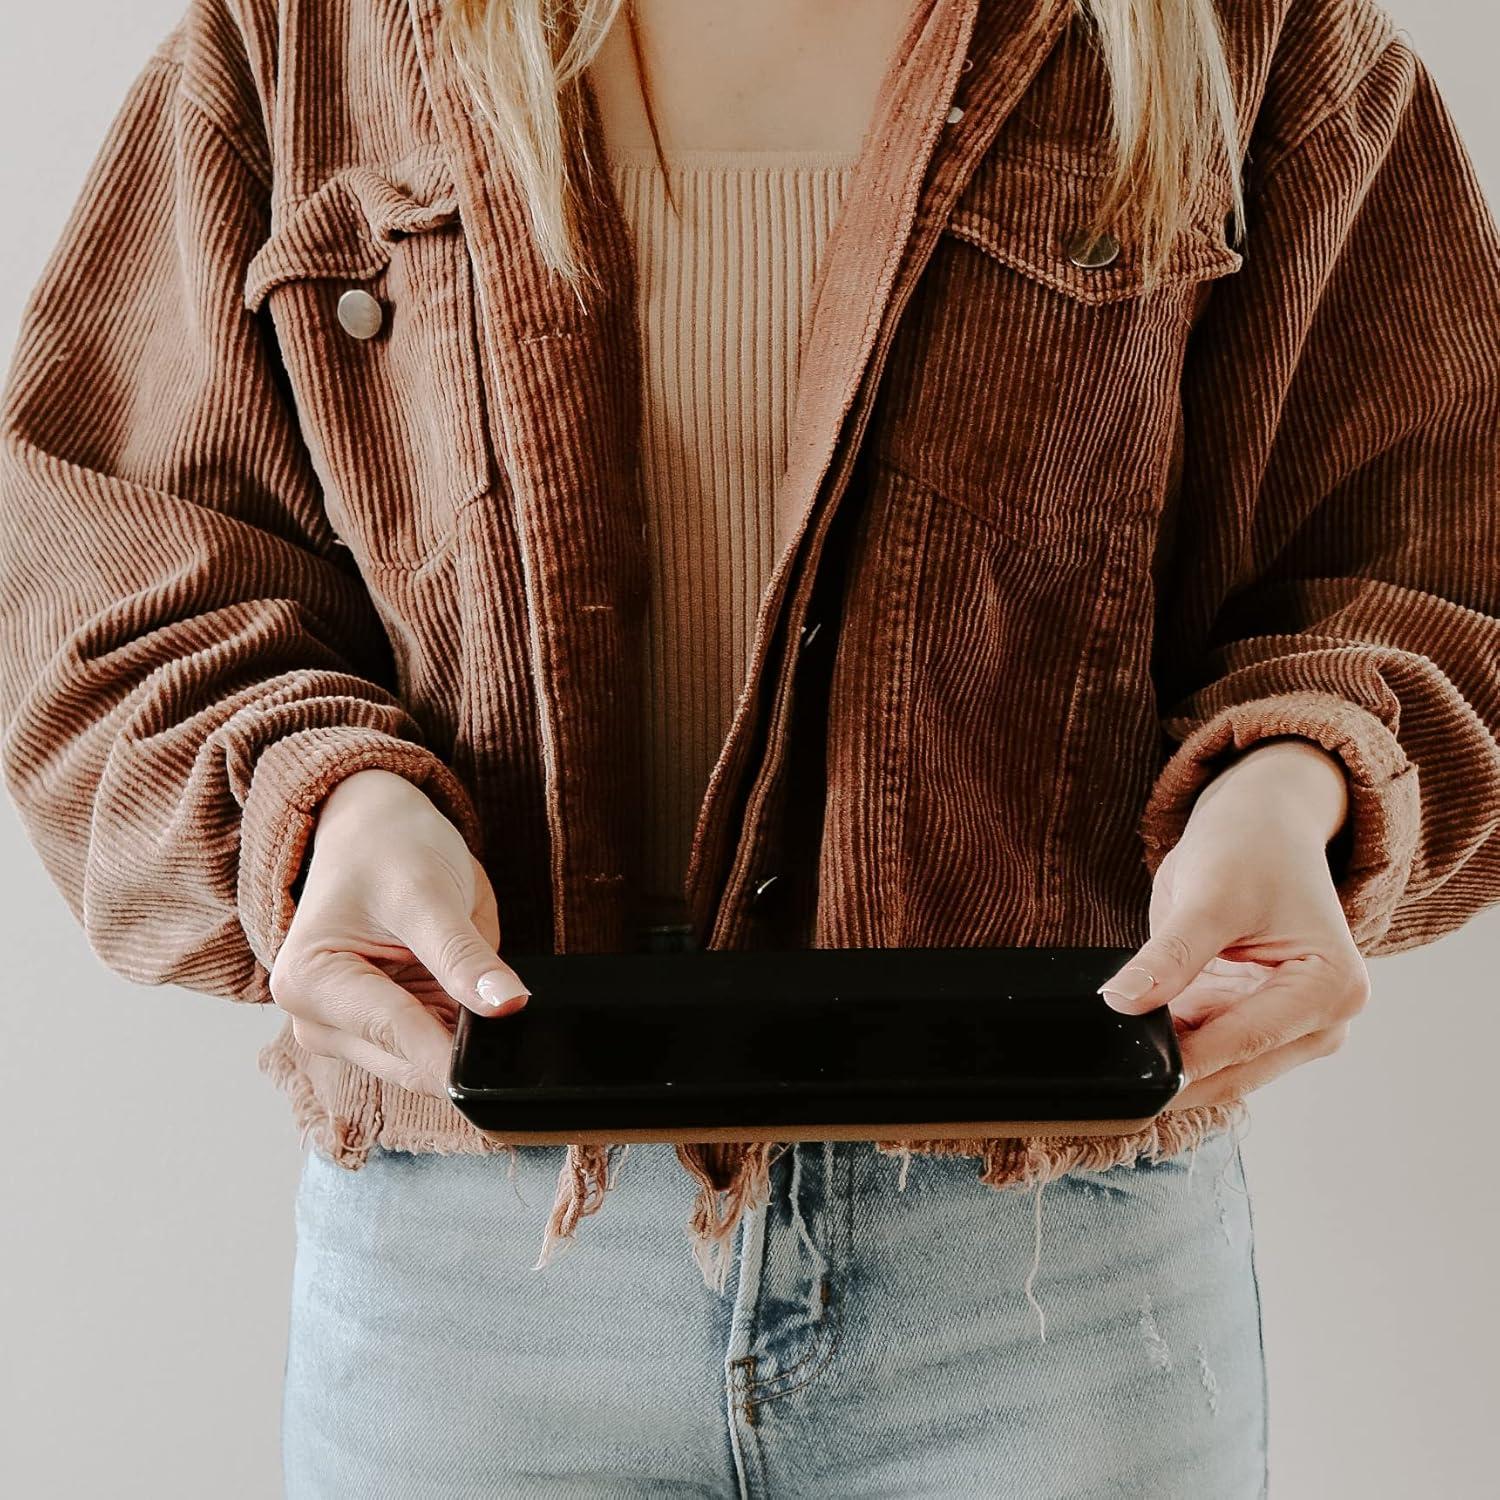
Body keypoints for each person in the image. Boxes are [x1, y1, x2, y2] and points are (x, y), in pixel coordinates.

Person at [1, 0, 1495, 1493]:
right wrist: (332, 806)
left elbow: (1442, 556)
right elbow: (101, 576)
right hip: (476, 1271)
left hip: (1047, 1266)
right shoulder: (307, 38)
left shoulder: (1246, 40)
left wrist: (1294, 787)